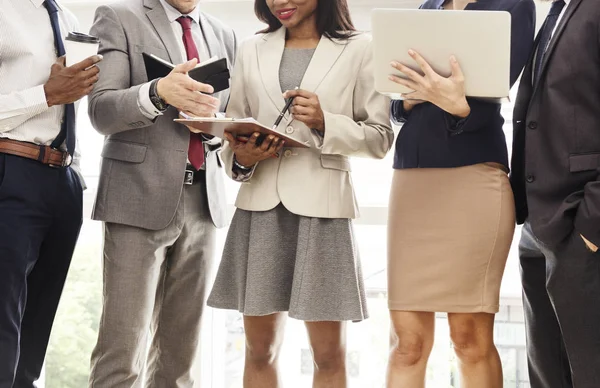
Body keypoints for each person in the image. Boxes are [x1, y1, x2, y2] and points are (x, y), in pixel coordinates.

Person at [206, 0, 393, 386]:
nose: (280, 2)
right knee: (259, 350)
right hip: (260, 208)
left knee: (328, 356)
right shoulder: (252, 48)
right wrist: (242, 157)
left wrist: (327, 122)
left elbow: (379, 139)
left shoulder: (361, 48)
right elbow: (233, 130)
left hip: (322, 212)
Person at [385, 0, 535, 387]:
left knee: (469, 340)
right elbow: (393, 101)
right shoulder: (425, 8)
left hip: (474, 178)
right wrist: (406, 99)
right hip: (413, 182)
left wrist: (459, 105)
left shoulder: (512, 5)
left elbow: (501, 89)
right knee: (407, 345)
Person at [86, 0, 235, 386]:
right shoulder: (119, 17)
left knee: (179, 360)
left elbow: (227, 119)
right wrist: (158, 93)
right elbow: (102, 111)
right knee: (121, 353)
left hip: (204, 202)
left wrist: (214, 128)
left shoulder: (224, 33)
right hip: (136, 197)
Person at [0, 0, 102, 387]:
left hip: (63, 179)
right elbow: (52, 96)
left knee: (35, 331)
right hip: (11, 170)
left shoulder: (68, 18)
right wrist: (45, 94)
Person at [511, 0, 600, 386]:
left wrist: (590, 227)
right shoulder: (556, 10)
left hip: (581, 222)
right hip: (536, 223)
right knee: (548, 374)